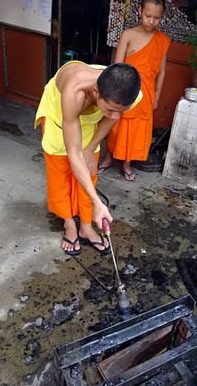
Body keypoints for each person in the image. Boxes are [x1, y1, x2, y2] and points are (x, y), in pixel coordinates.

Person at [35, 61, 142, 255]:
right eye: (110, 109)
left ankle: (86, 226)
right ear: (95, 91)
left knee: (88, 172)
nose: (115, 116)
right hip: (61, 118)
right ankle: (69, 224)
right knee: (60, 172)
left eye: (121, 111)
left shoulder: (129, 94)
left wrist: (91, 147)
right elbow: (73, 152)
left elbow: (111, 117)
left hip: (88, 119)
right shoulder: (74, 92)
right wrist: (97, 201)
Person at [97, 0, 171, 181]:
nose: (151, 21)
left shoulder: (163, 41)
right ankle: (108, 158)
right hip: (125, 89)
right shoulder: (128, 35)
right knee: (116, 125)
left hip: (146, 93)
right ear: (140, 11)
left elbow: (161, 72)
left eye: (156, 18)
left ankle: (127, 163)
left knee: (136, 130)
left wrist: (156, 97)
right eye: (148, 16)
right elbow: (116, 66)